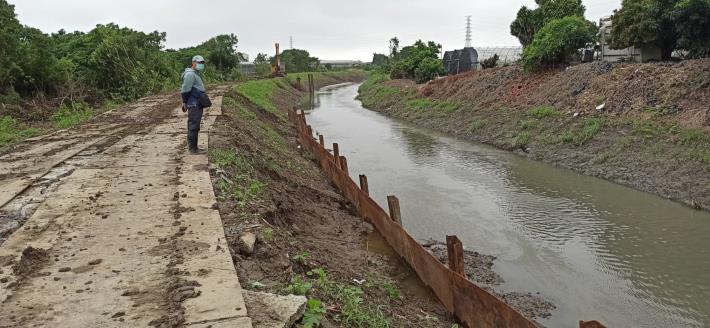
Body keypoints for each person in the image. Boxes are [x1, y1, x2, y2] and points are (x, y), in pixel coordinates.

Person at [181, 55, 207, 154]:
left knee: (195, 125)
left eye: (202, 63)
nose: (201, 64)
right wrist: (184, 102)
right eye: (199, 62)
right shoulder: (190, 74)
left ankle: (194, 146)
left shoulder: (195, 73)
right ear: (193, 62)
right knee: (193, 126)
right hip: (194, 104)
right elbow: (185, 90)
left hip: (197, 103)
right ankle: (192, 149)